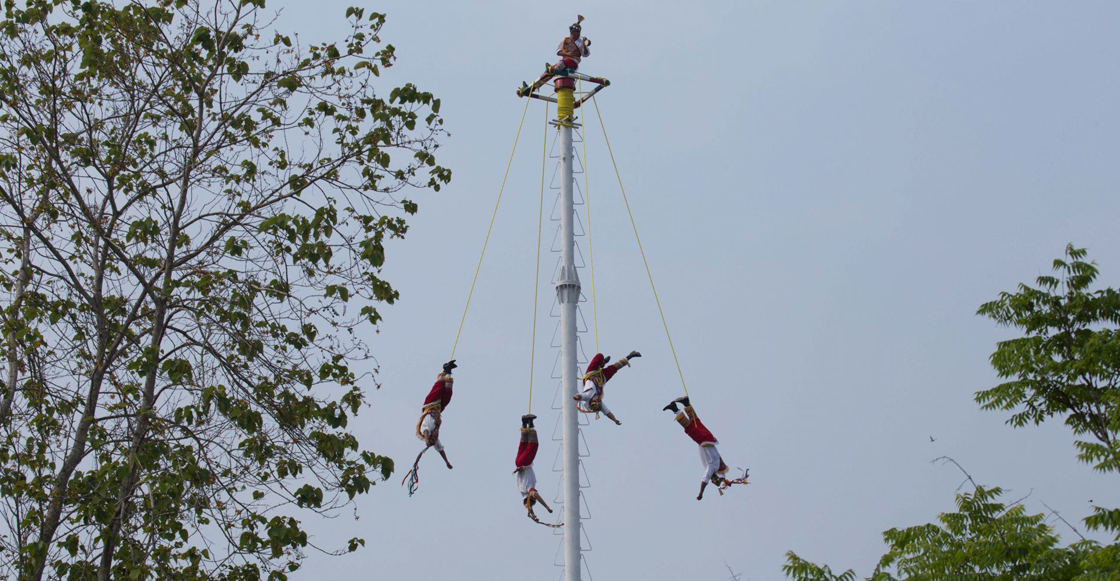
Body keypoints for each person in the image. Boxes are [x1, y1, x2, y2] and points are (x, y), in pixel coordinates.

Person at [663, 396, 736, 500]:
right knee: (689, 428)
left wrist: (726, 481)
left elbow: (722, 477)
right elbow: (704, 481)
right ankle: (675, 409)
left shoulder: (720, 467)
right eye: (713, 480)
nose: (711, 479)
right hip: (703, 441)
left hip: (710, 438)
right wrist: (701, 493)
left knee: (696, 423)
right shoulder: (713, 468)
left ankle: (686, 403)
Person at [518, 15, 592, 96]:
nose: (574, 34)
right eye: (573, 32)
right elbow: (558, 51)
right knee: (548, 71)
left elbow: (586, 54)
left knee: (556, 66)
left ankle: (554, 70)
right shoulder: (565, 40)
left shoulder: (581, 42)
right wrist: (567, 54)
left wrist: (584, 45)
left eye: (577, 32)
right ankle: (532, 88)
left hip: (572, 62)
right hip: (565, 61)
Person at [572, 351, 640, 425]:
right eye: (599, 401)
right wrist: (615, 420)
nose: (599, 399)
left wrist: (576, 397)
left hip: (591, 373)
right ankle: (630, 356)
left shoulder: (587, 396)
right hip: (601, 379)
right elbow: (607, 413)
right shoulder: (600, 404)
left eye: (596, 400)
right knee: (614, 368)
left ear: (592, 401)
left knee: (599, 356)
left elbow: (580, 396)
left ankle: (602, 362)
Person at [415, 360, 457, 470]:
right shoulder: (435, 436)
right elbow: (440, 449)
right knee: (448, 394)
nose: (436, 436)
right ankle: (448, 372)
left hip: (430, 404)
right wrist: (447, 462)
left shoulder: (426, 428)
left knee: (438, 387)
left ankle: (444, 369)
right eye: (435, 437)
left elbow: (425, 432)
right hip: (438, 409)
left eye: (434, 436)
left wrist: (427, 440)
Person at [514, 414, 555, 523]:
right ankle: (525, 422)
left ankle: (530, 424)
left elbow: (535, 496)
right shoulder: (523, 492)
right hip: (518, 463)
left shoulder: (528, 490)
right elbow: (528, 507)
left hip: (524, 463)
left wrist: (547, 507)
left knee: (533, 445)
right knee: (524, 444)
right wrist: (533, 515)